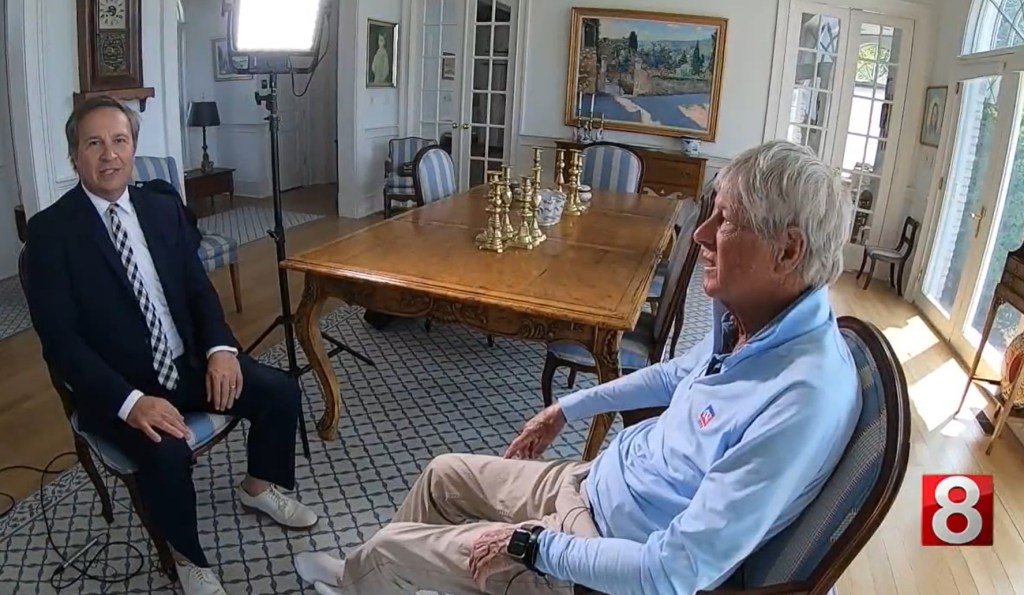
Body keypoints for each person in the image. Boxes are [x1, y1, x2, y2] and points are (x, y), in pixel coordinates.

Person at [293, 139, 862, 595]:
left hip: (595, 558)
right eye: (709, 214)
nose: (703, 235)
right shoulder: (754, 320)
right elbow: (673, 375)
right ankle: (373, 579)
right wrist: (566, 407)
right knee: (443, 474)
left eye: (726, 221)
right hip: (593, 482)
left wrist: (530, 546)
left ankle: (369, 575)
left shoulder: (801, 398)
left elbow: (672, 572)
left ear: (788, 251)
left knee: (392, 548)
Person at [23, 96, 318, 595]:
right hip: (118, 388)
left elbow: (198, 291)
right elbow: (61, 343)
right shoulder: (51, 232)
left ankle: (258, 487)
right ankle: (186, 557)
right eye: (94, 143)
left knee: (280, 391)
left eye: (119, 141)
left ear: (133, 148)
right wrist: (131, 402)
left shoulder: (161, 209)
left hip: (185, 363)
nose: (109, 154)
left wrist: (220, 350)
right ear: (74, 156)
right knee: (167, 453)